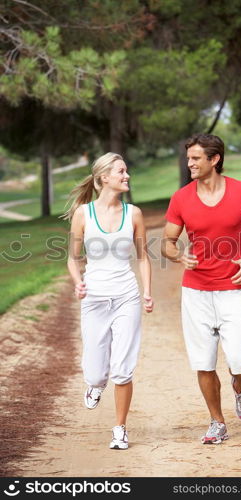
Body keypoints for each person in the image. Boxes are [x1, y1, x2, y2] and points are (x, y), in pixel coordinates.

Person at [161, 134, 241, 445]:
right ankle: (217, 422)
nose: (190, 164)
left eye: (196, 158)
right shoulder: (181, 198)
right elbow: (167, 242)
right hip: (196, 292)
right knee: (203, 361)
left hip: (233, 289)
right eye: (188, 158)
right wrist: (179, 255)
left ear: (215, 160)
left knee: (240, 359)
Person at [63, 152, 153, 450]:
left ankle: (120, 429)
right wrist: (78, 284)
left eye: (126, 171)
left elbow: (143, 258)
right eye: (121, 171)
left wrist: (147, 291)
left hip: (126, 296)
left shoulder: (134, 213)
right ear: (104, 178)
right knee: (96, 372)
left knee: (123, 369)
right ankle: (96, 384)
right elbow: (73, 259)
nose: (127, 176)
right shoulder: (83, 214)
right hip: (95, 299)